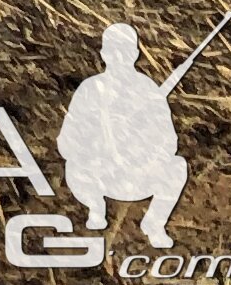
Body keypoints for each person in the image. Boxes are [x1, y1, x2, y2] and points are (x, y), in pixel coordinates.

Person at [60, 24, 189, 248]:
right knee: (73, 166)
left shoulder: (148, 89)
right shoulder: (90, 88)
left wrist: (141, 150)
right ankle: (96, 207)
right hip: (100, 175)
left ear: (135, 54)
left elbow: (169, 141)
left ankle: (154, 224)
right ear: (103, 54)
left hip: (140, 175)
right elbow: (67, 139)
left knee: (177, 167)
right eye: (113, 50)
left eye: (125, 50)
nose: (119, 57)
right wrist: (93, 147)